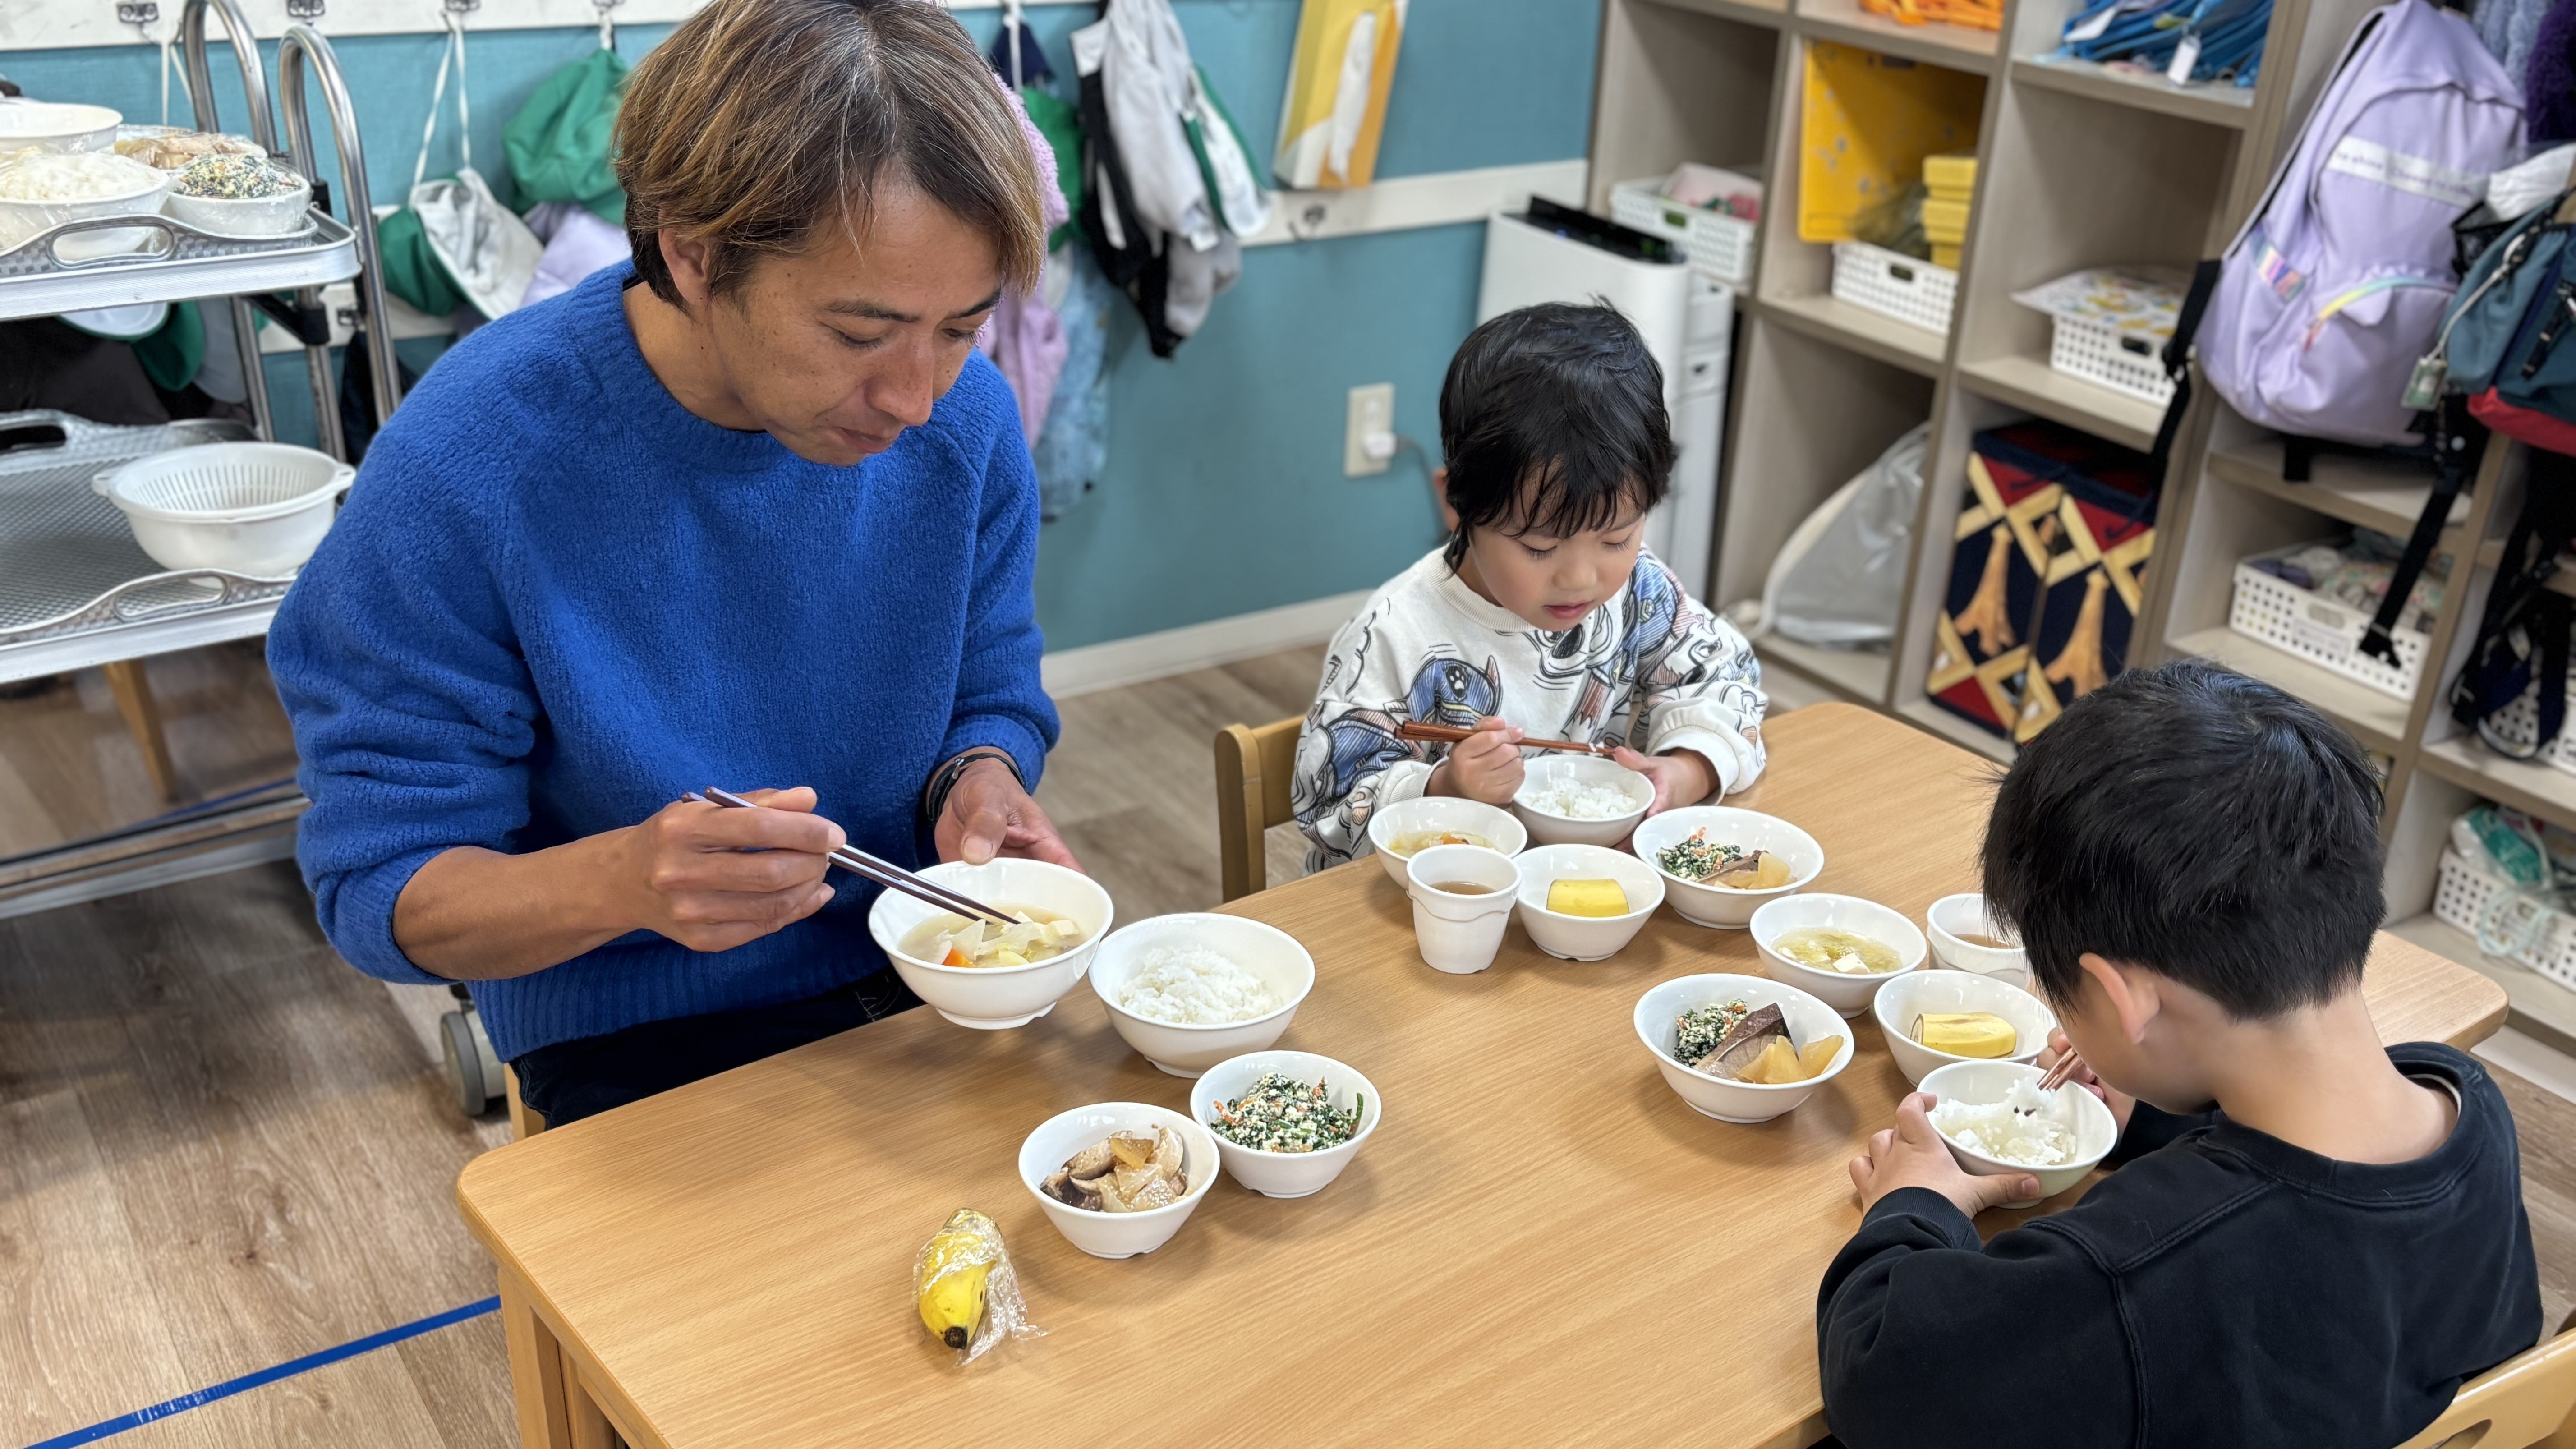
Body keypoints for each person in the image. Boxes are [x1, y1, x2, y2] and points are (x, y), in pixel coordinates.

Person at [268, 0, 1079, 1126]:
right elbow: (383, 891)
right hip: (633, 1026)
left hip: (931, 968)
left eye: (961, 327)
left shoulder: (967, 423)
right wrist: (627, 880)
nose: (917, 399)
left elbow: (990, 686)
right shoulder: (470, 462)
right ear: (693, 256)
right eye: (858, 335)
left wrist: (976, 778)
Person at [1819, 661, 2542, 1449]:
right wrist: (2154, 1105)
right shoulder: (2464, 1100)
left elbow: (1881, 1383)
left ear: (2125, 1000)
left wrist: (1912, 1205)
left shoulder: (2131, 1272)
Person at [1291, 302, 1766, 869]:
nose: (1582, 577)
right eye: (1540, 547)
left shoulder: (1641, 592)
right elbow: (1329, 802)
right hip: (1430, 916)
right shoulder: (1396, 633)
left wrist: (1684, 771)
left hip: (1587, 893)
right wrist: (1446, 790)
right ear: (1456, 503)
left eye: (1616, 538)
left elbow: (1722, 675)